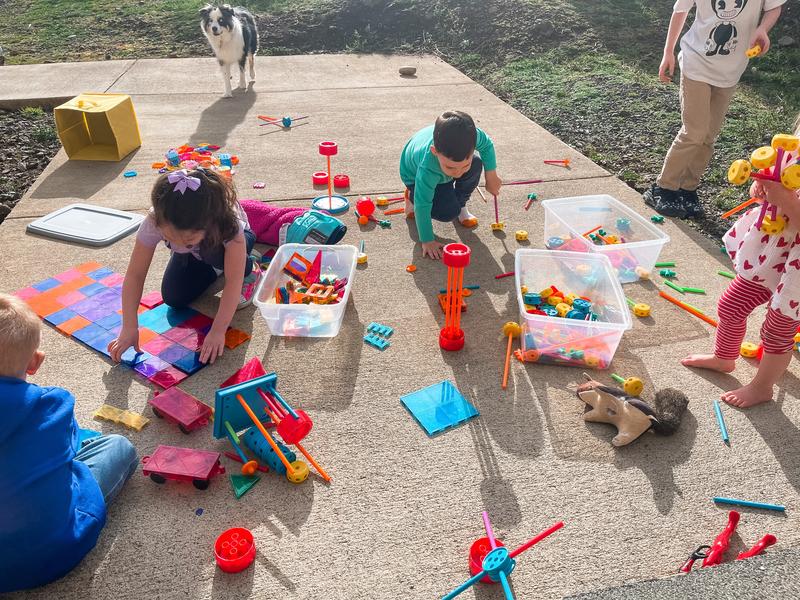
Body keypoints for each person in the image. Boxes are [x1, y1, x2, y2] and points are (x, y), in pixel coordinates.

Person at [0, 293, 138, 592]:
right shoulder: (54, 404)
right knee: (118, 446)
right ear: (35, 362)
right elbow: (73, 446)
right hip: (55, 550)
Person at [682, 133, 800, 407]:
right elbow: (772, 187)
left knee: (777, 330)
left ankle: (762, 387)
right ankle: (723, 357)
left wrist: (785, 200)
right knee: (732, 305)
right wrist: (761, 189)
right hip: (773, 253)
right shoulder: (793, 152)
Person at [644, 0, 785, 218]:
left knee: (709, 136)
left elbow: (774, 7)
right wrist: (668, 52)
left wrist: (762, 29)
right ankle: (663, 188)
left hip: (731, 71)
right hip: (696, 63)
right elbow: (680, 10)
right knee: (695, 132)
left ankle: (687, 190)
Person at [108, 168, 260, 365]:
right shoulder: (155, 220)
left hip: (231, 242)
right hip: (197, 252)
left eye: (187, 241)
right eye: (169, 239)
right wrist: (129, 327)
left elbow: (232, 282)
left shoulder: (226, 225)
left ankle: (250, 268)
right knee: (174, 298)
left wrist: (217, 331)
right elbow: (135, 274)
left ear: (207, 225)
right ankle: (214, 264)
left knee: (212, 254)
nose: (177, 245)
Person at [400, 111, 502, 259]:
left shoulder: (471, 136)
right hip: (414, 176)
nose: (458, 173)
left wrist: (491, 176)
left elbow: (486, 145)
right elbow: (423, 204)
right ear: (435, 152)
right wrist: (427, 240)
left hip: (439, 166)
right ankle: (411, 194)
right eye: (451, 167)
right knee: (448, 212)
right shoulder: (428, 168)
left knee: (476, 164)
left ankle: (461, 205)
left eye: (464, 165)